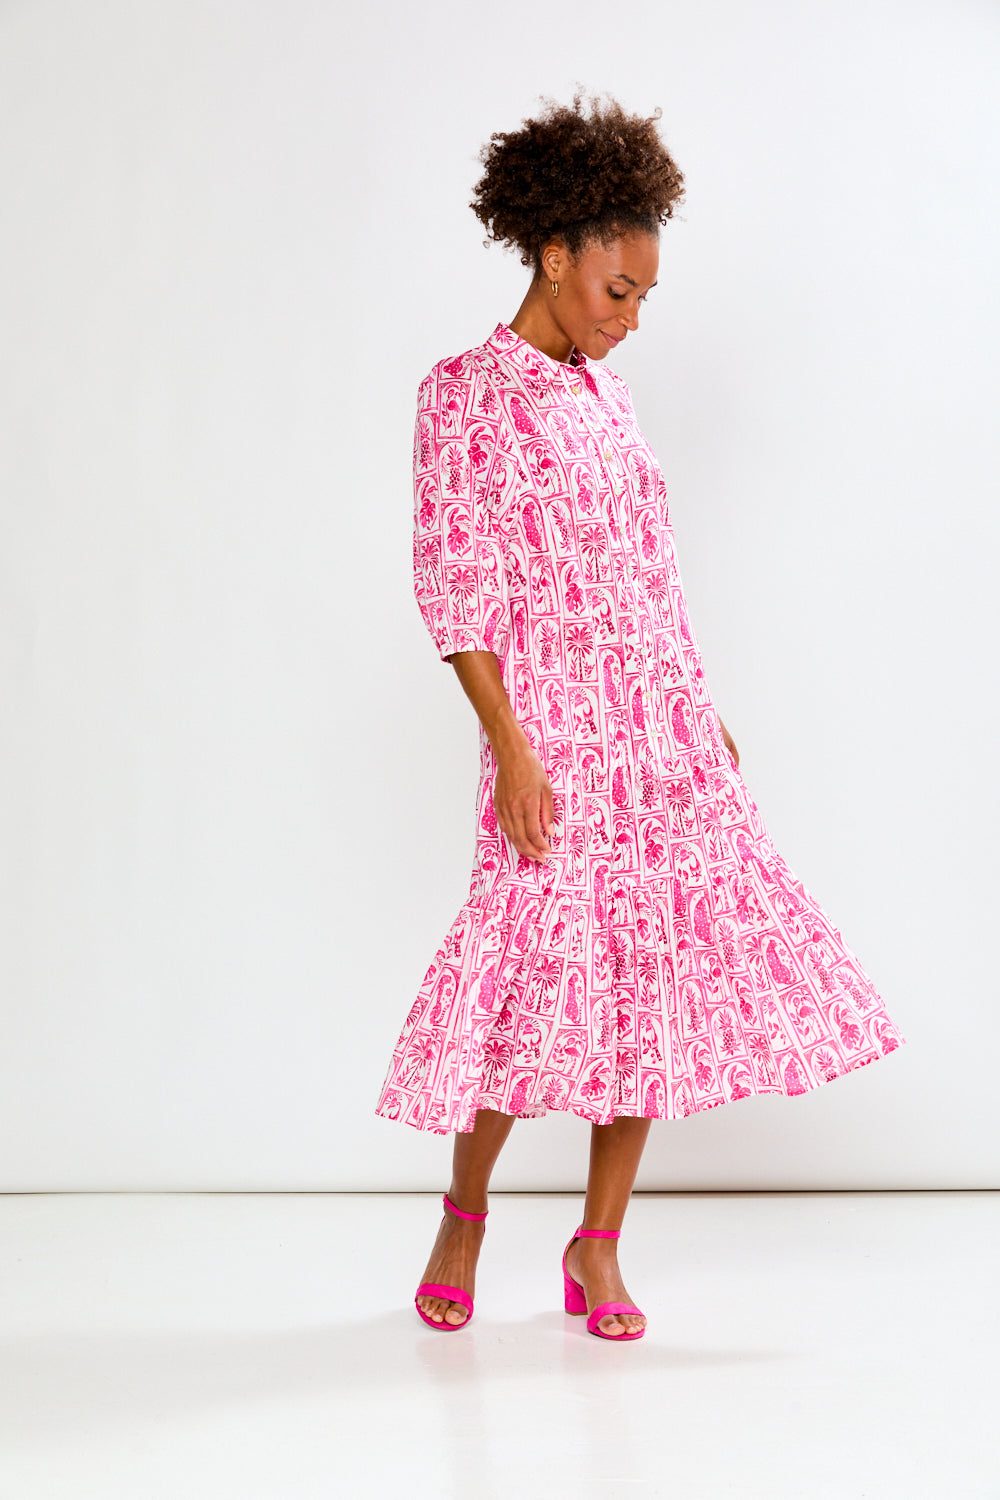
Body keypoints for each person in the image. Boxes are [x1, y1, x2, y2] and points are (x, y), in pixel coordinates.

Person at [374, 90, 907, 1340]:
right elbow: (453, 588)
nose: (629, 317)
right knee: (518, 975)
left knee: (644, 989)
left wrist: (693, 705)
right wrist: (509, 745)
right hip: (553, 735)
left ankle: (597, 1247)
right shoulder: (465, 395)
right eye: (618, 291)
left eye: (645, 299)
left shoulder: (609, 399)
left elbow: (641, 569)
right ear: (555, 257)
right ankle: (464, 1215)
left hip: (656, 730)